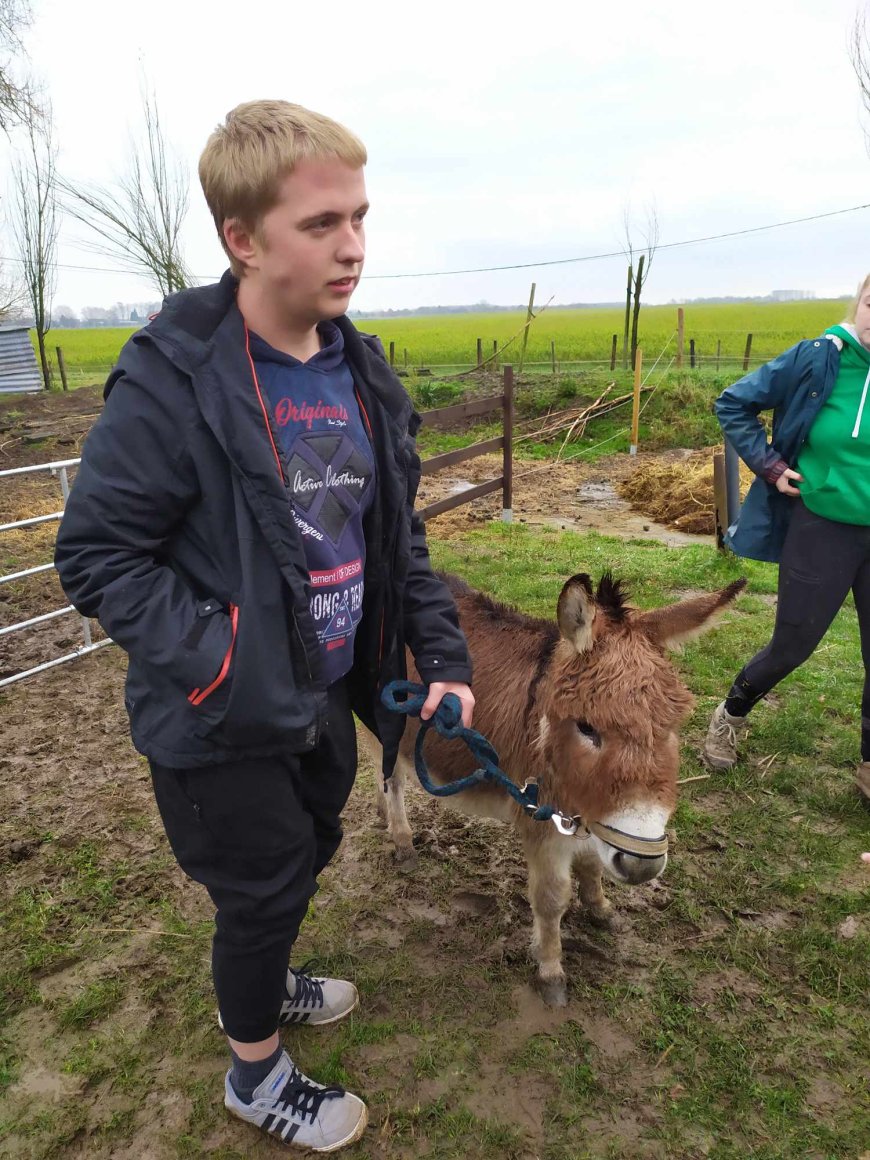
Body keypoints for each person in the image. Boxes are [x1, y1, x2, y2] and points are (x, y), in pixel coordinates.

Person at [54, 100, 474, 1153]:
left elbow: (395, 539)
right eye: (323, 222)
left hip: (321, 694)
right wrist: (226, 660)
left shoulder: (360, 370)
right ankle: (254, 1074)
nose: (355, 246)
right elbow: (98, 556)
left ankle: (264, 972)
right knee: (257, 886)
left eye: (361, 217)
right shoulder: (173, 380)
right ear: (243, 238)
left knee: (301, 854)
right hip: (219, 717)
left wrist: (442, 652)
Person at [703, 275, 870, 805]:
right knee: (795, 642)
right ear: (859, 302)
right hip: (822, 525)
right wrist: (772, 466)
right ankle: (730, 714)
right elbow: (733, 403)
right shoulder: (819, 359)